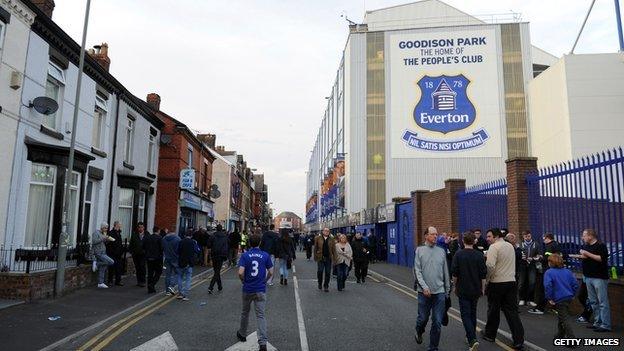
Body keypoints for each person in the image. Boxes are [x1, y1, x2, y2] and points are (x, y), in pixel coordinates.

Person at [482, 228, 524, 350]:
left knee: (493, 310)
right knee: (512, 312)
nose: (487, 239)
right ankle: (518, 340)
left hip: (497, 282)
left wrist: (487, 280)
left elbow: (490, 266)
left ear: (495, 236)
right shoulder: (510, 246)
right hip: (511, 282)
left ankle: (490, 334)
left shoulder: (494, 248)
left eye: (489, 236)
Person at [413, 226, 450, 351]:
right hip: (424, 292)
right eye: (433, 234)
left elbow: (445, 271)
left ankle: (433, 347)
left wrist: (447, 290)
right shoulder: (419, 250)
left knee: (437, 322)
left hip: (439, 292)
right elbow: (417, 271)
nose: (435, 236)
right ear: (426, 236)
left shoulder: (441, 251)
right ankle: (419, 330)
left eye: (436, 234)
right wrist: (424, 287)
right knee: (423, 318)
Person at [236, 234, 273, 351]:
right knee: (261, 315)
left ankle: (242, 334)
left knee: (245, 312)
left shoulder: (245, 256)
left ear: (249, 243)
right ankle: (262, 342)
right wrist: (265, 281)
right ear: (260, 243)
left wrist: (243, 281)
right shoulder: (265, 255)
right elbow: (271, 272)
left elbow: (240, 272)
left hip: (248, 289)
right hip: (260, 289)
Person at [570, 229, 611, 332]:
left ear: (590, 236)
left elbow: (601, 258)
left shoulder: (601, 246)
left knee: (602, 302)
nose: (582, 237)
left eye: (584, 235)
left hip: (599, 277)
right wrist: (578, 256)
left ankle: (606, 325)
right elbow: (586, 257)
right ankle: (597, 322)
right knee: (593, 302)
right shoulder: (587, 246)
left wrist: (586, 253)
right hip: (588, 276)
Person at [451, 232, 486, 351]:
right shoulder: (479, 255)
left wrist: (455, 286)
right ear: (474, 241)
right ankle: (470, 336)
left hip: (463, 289)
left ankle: (472, 340)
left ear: (463, 241)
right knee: (473, 313)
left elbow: (455, 274)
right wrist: (483, 288)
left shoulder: (458, 254)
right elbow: (483, 275)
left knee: (465, 314)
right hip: (476, 289)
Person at [543, 254, 579, 341]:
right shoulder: (568, 271)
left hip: (559, 298)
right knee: (562, 316)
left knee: (565, 318)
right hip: (569, 297)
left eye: (549, 261)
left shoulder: (549, 272)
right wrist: (572, 294)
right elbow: (575, 285)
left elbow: (548, 286)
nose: (548, 263)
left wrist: (550, 298)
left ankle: (571, 339)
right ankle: (560, 334)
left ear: (551, 263)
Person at [529, 233, 561, 315]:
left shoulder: (549, 246)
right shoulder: (556, 244)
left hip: (548, 269)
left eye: (544, 238)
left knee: (543, 289)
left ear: (548, 238)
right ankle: (555, 308)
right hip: (555, 270)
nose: (543, 240)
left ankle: (540, 308)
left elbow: (548, 257)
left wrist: (539, 258)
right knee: (553, 289)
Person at [518, 231, 539, 307]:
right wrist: (521, 257)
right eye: (526, 236)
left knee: (532, 283)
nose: (527, 238)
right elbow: (518, 255)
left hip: (532, 265)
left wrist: (534, 258)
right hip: (522, 265)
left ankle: (531, 300)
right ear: (523, 237)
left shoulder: (536, 244)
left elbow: (539, 254)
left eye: (529, 236)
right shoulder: (520, 244)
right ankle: (522, 299)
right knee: (521, 283)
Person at [177, 230, 200, 301]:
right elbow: (198, 250)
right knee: (188, 279)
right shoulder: (193, 242)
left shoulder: (181, 241)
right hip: (189, 263)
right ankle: (185, 295)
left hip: (181, 262)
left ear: (185, 235)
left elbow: (177, 251)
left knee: (180, 277)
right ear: (191, 235)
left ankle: (180, 293)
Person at [92, 223, 115, 288]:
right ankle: (97, 264)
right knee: (111, 262)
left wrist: (107, 240)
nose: (106, 230)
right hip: (98, 252)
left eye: (107, 228)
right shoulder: (96, 233)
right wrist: (103, 238)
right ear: (102, 227)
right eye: (105, 228)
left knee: (103, 267)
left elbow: (103, 242)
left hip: (103, 252)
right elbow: (94, 241)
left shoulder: (103, 234)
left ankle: (100, 283)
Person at [314, 227, 336, 292]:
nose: (326, 232)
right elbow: (315, 248)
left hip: (328, 258)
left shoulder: (332, 239)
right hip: (320, 257)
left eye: (328, 231)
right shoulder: (317, 238)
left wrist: (335, 258)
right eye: (325, 231)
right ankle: (319, 283)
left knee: (328, 272)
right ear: (322, 231)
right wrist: (315, 256)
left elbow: (334, 249)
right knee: (320, 271)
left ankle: (326, 286)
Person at [209, 224, 229, 294]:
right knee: (217, 272)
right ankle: (211, 287)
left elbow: (208, 245)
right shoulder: (225, 236)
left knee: (216, 271)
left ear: (216, 229)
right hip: (221, 256)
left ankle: (219, 286)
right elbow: (227, 246)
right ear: (221, 229)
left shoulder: (212, 236)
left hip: (214, 255)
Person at [162, 227, 181, 296]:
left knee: (168, 275)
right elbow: (179, 250)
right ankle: (172, 285)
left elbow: (162, 248)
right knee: (178, 274)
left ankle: (167, 291)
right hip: (176, 259)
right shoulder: (178, 239)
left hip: (167, 258)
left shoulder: (164, 239)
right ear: (175, 231)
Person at [144, 226, 163, 294]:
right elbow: (161, 248)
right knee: (158, 272)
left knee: (150, 273)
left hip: (149, 258)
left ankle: (150, 289)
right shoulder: (159, 238)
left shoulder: (148, 237)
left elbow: (143, 246)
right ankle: (152, 285)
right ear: (158, 231)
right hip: (157, 258)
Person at [129, 222, 148, 287]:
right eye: (139, 227)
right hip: (136, 254)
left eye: (142, 227)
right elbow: (131, 244)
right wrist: (131, 252)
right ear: (137, 228)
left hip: (143, 254)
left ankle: (143, 281)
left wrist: (146, 252)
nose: (140, 228)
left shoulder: (147, 234)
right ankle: (139, 281)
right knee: (137, 267)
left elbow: (149, 244)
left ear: (144, 228)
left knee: (142, 267)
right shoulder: (134, 235)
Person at [106, 221, 124, 287]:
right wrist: (113, 251)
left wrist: (121, 251)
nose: (120, 226)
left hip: (118, 254)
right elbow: (110, 243)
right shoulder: (111, 233)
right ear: (116, 225)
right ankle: (110, 281)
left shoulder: (119, 233)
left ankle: (118, 281)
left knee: (118, 268)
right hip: (112, 253)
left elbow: (119, 243)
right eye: (119, 225)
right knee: (111, 267)